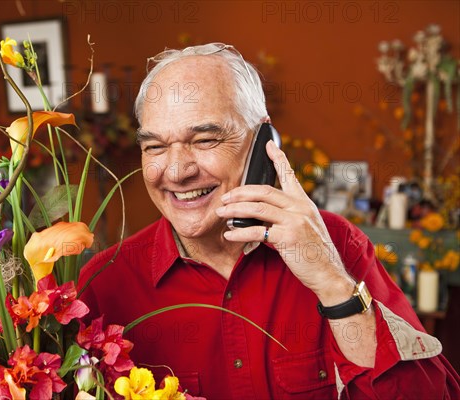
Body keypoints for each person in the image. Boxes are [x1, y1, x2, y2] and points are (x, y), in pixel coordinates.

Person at [78, 43, 460, 399]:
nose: (176, 171)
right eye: (155, 147)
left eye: (205, 140)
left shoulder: (338, 244)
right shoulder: (103, 284)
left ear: (264, 141)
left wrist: (332, 284)